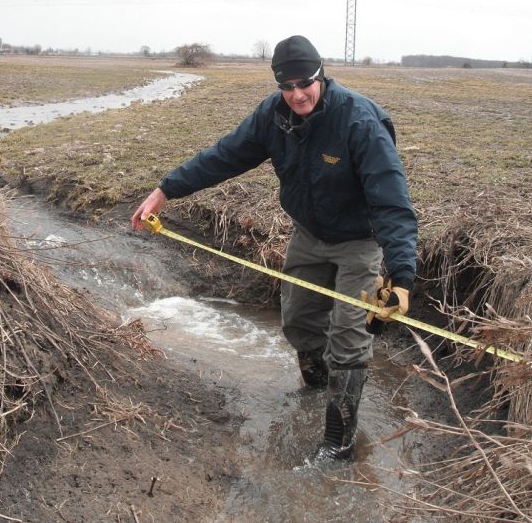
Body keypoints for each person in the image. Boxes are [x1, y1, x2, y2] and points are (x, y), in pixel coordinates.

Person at [131, 35, 417, 460]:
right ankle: (317, 389)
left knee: (349, 336)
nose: (296, 94)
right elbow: (224, 155)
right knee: (299, 323)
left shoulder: (360, 122)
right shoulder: (274, 115)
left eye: (305, 83)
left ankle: (338, 442)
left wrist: (402, 275)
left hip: (359, 240)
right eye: (286, 86)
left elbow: (390, 199)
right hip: (309, 234)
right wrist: (165, 190)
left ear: (321, 75)